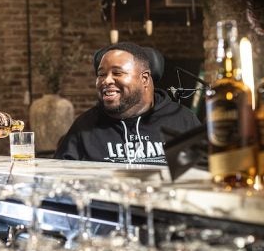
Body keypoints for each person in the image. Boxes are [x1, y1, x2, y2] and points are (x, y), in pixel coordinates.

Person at [54, 42, 201, 165]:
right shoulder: (85, 126)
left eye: (117, 73)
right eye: (101, 74)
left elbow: (204, 175)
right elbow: (60, 179)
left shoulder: (183, 120)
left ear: (144, 79)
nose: (106, 80)